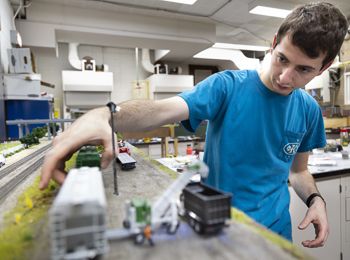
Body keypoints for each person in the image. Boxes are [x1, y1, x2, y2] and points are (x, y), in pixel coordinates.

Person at [40, 2, 348, 247]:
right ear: (273, 43)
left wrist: (315, 199)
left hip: (276, 233)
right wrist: (106, 115)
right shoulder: (226, 87)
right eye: (282, 59)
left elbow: (298, 170)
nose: (285, 77)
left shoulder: (307, 109)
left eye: (304, 70)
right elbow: (159, 111)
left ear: (325, 67)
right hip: (219, 230)